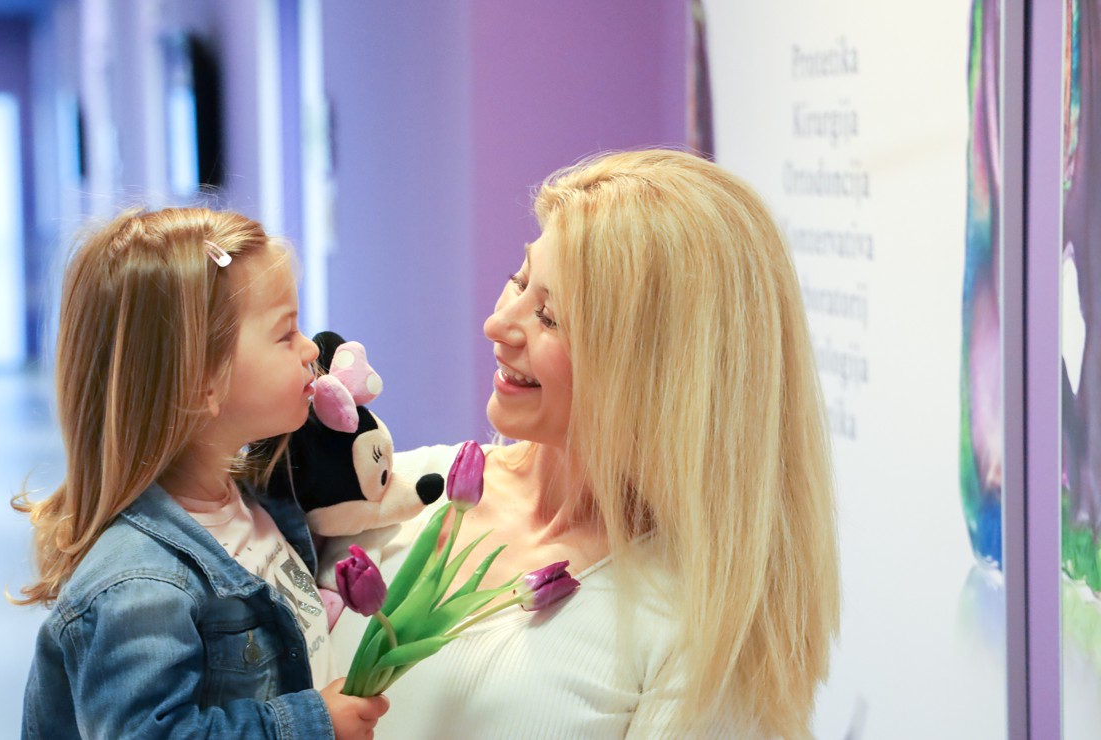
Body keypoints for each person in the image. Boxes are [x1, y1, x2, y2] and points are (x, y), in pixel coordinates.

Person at [329, 149, 840, 738]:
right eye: (519, 280)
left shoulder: (701, 631)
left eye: (549, 316)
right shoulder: (410, 490)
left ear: (656, 372)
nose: (498, 325)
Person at [11, 207, 389, 739]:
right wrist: (312, 725)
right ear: (200, 384)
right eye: (286, 334)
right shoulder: (138, 587)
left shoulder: (256, 499)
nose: (310, 349)